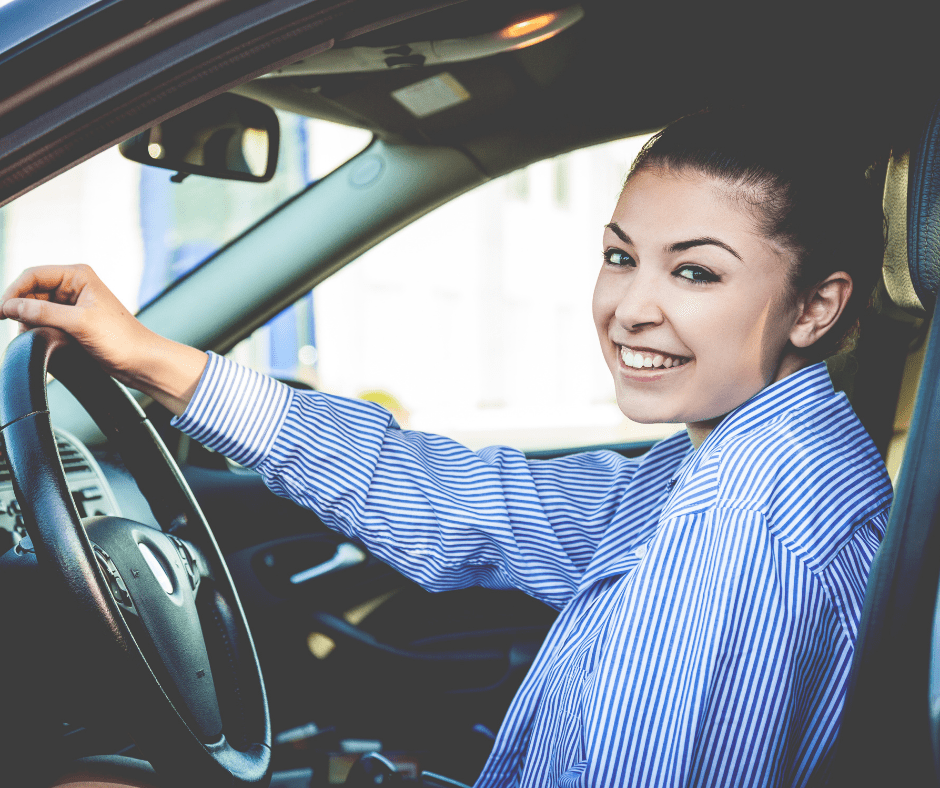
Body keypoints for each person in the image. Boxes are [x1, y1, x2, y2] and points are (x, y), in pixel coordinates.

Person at [0, 108, 891, 787]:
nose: (630, 309)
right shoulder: (725, 465)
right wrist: (156, 360)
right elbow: (464, 502)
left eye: (695, 271)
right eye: (621, 257)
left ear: (816, 307)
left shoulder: (740, 532)